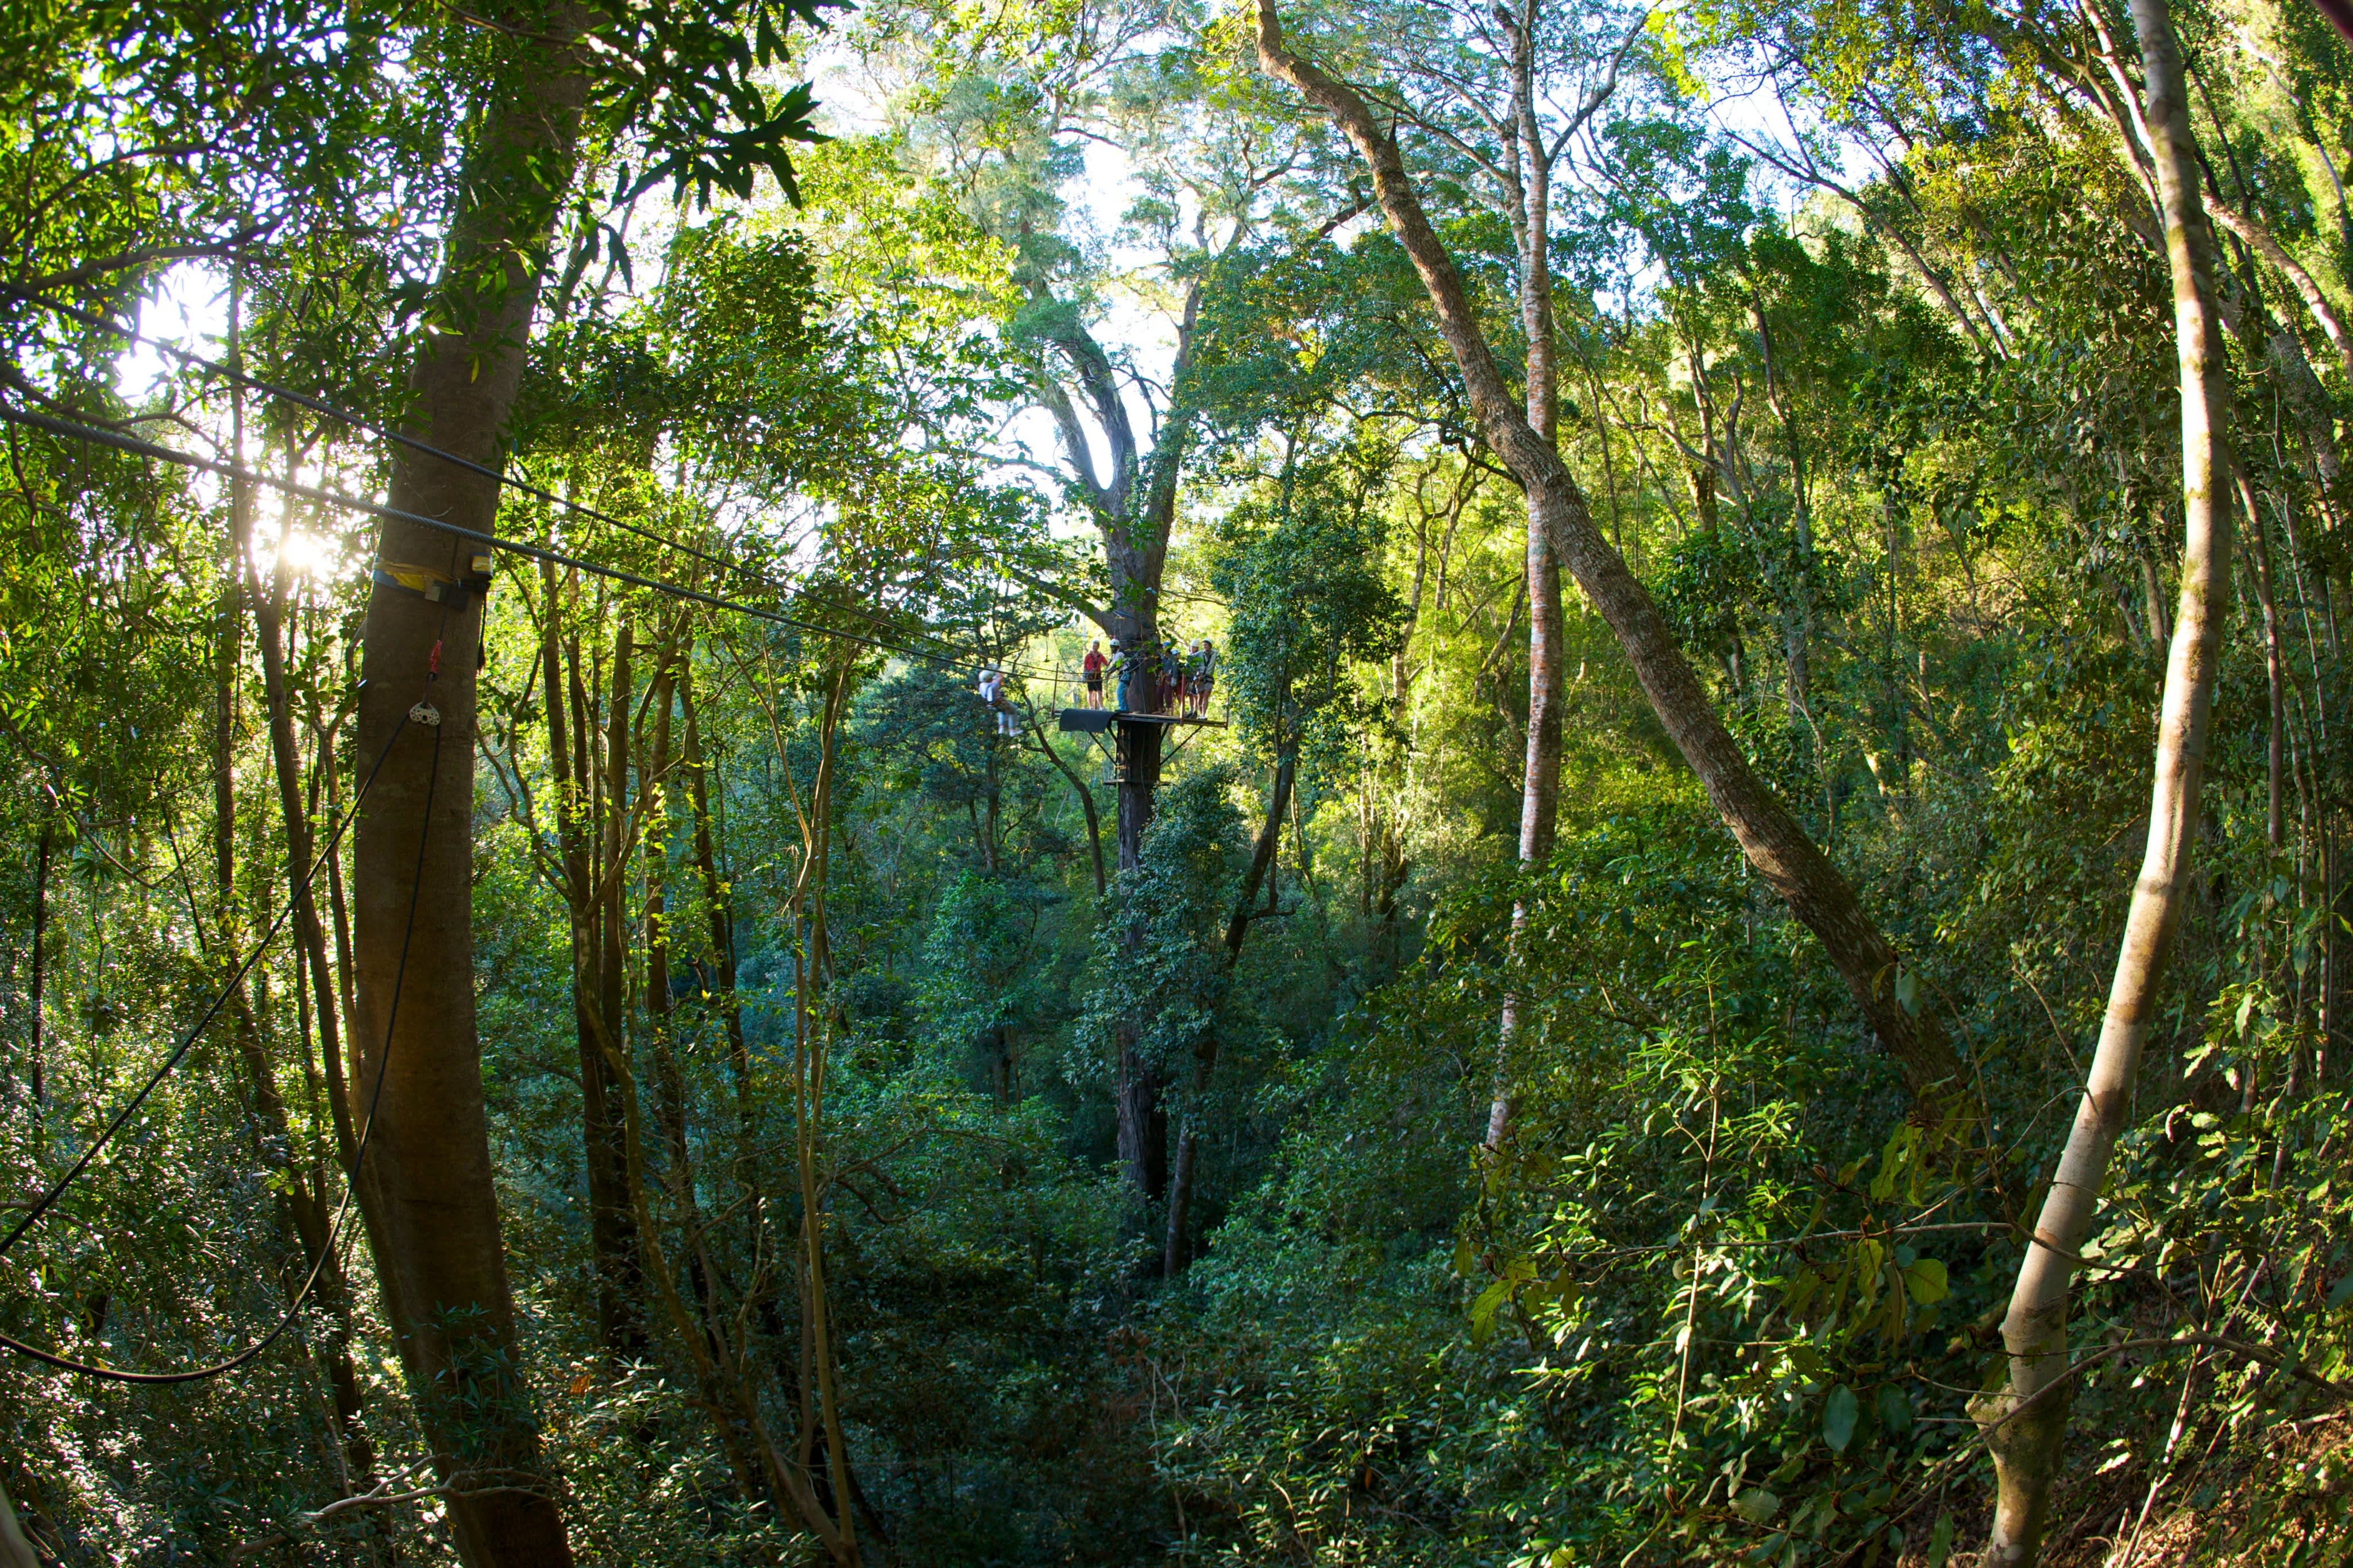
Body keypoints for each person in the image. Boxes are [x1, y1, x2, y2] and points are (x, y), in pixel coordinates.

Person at [1191, 638, 1217, 716]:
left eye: (1206, 645)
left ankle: (1203, 714)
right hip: (1200, 677)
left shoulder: (1215, 654)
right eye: (1203, 645)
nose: (1204, 647)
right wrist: (1195, 670)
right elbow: (1190, 659)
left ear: (1210, 646)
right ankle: (1200, 713)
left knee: (1206, 696)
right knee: (1200, 696)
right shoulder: (1199, 654)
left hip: (1209, 677)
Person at [1082, 638, 1107, 709]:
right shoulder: (1088, 656)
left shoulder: (1101, 656)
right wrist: (1084, 677)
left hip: (1098, 675)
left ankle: (1101, 707)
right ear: (1092, 646)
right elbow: (1085, 666)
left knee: (1099, 692)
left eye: (1096, 646)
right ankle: (1091, 707)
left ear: (1098, 647)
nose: (1095, 648)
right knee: (1090, 692)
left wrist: (1112, 659)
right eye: (1094, 646)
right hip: (1090, 675)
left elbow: (1106, 663)